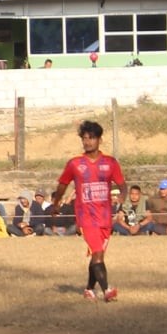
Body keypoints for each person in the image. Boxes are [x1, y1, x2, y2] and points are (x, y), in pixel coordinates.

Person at [52, 119, 124, 302]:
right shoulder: (75, 164)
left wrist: (122, 196)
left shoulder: (110, 163)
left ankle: (89, 289)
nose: (87, 142)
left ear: (99, 139)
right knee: (98, 254)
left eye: (91, 138)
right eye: (84, 138)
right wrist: (56, 202)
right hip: (86, 218)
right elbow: (63, 184)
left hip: (105, 218)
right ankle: (107, 290)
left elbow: (122, 185)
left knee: (97, 256)